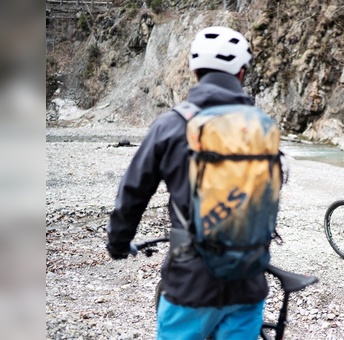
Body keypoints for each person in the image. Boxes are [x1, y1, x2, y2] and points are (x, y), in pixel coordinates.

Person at [106, 26, 269, 339]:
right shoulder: (260, 128)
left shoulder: (171, 125)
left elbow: (133, 193)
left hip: (191, 283)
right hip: (248, 282)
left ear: (195, 70)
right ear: (242, 73)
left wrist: (117, 243)